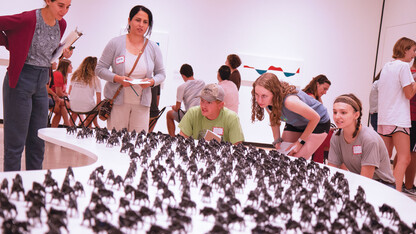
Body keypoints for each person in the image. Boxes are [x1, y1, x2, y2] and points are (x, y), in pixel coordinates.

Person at [0, 0, 71, 171]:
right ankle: (11, 190)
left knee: (38, 142)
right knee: (15, 145)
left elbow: (47, 52)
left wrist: (63, 51)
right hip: (20, 81)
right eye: (60, 5)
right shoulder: (28, 19)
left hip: (41, 84)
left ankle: (34, 189)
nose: (64, 11)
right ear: (48, 1)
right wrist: (11, 43)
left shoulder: (61, 24)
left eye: (68, 7)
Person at [96, 5, 166, 133]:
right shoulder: (115, 43)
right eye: (137, 20)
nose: (141, 25)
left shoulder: (153, 47)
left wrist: (151, 82)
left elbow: (161, 74)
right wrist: (117, 78)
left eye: (145, 22)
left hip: (142, 105)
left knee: (138, 142)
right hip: (117, 102)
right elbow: (100, 69)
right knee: (115, 140)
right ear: (129, 20)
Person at [251, 73, 330, 159]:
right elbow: (274, 118)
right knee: (282, 156)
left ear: (275, 93)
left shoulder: (290, 102)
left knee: (297, 159)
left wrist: (300, 142)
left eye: (264, 96)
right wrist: (277, 140)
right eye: (256, 94)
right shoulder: (266, 102)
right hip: (297, 122)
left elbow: (315, 118)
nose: (259, 100)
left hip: (319, 122)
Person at [328, 94, 396, 189]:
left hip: (382, 186)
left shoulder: (369, 139)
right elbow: (332, 170)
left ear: (356, 115)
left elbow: (365, 182)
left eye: (343, 113)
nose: (337, 117)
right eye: (335, 112)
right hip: (359, 180)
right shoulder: (336, 137)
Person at [378, 37, 416, 191]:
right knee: (405, 158)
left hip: (384, 118)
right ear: (405, 49)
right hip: (399, 119)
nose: (414, 55)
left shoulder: (387, 66)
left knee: (384, 159)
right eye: (413, 50)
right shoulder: (403, 67)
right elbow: (409, 95)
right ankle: (396, 192)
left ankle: (385, 190)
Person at [178, 83, 244, 144]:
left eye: (209, 102)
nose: (203, 106)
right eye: (202, 100)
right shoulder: (192, 113)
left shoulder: (231, 118)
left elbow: (237, 147)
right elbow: (182, 140)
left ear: (220, 105)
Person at [166, 64, 205, 136]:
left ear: (183, 76)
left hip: (190, 116)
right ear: (193, 73)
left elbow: (177, 108)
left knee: (169, 114)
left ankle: (172, 138)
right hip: (202, 115)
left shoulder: (181, 87)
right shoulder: (202, 83)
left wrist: (173, 107)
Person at [302, 74, 332, 163]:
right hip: (310, 130)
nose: (325, 92)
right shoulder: (310, 98)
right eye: (324, 89)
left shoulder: (314, 97)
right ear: (317, 84)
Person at [68, 56, 102, 128]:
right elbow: (99, 100)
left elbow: (69, 92)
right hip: (87, 107)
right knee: (91, 112)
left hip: (73, 105)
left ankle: (69, 128)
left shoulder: (75, 76)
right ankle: (89, 128)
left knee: (80, 112)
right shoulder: (96, 79)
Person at [403, 60, 416, 195]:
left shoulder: (407, 72)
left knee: (403, 153)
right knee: (412, 153)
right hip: (414, 118)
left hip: (405, 117)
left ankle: (400, 182)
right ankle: (408, 185)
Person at [51, 58, 72, 127]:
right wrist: (66, 96)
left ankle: (67, 125)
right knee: (69, 105)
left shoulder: (63, 76)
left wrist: (65, 94)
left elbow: (62, 92)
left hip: (57, 98)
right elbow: (59, 93)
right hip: (52, 97)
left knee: (62, 108)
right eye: (70, 66)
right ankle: (68, 125)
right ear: (65, 67)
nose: (72, 67)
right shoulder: (58, 74)